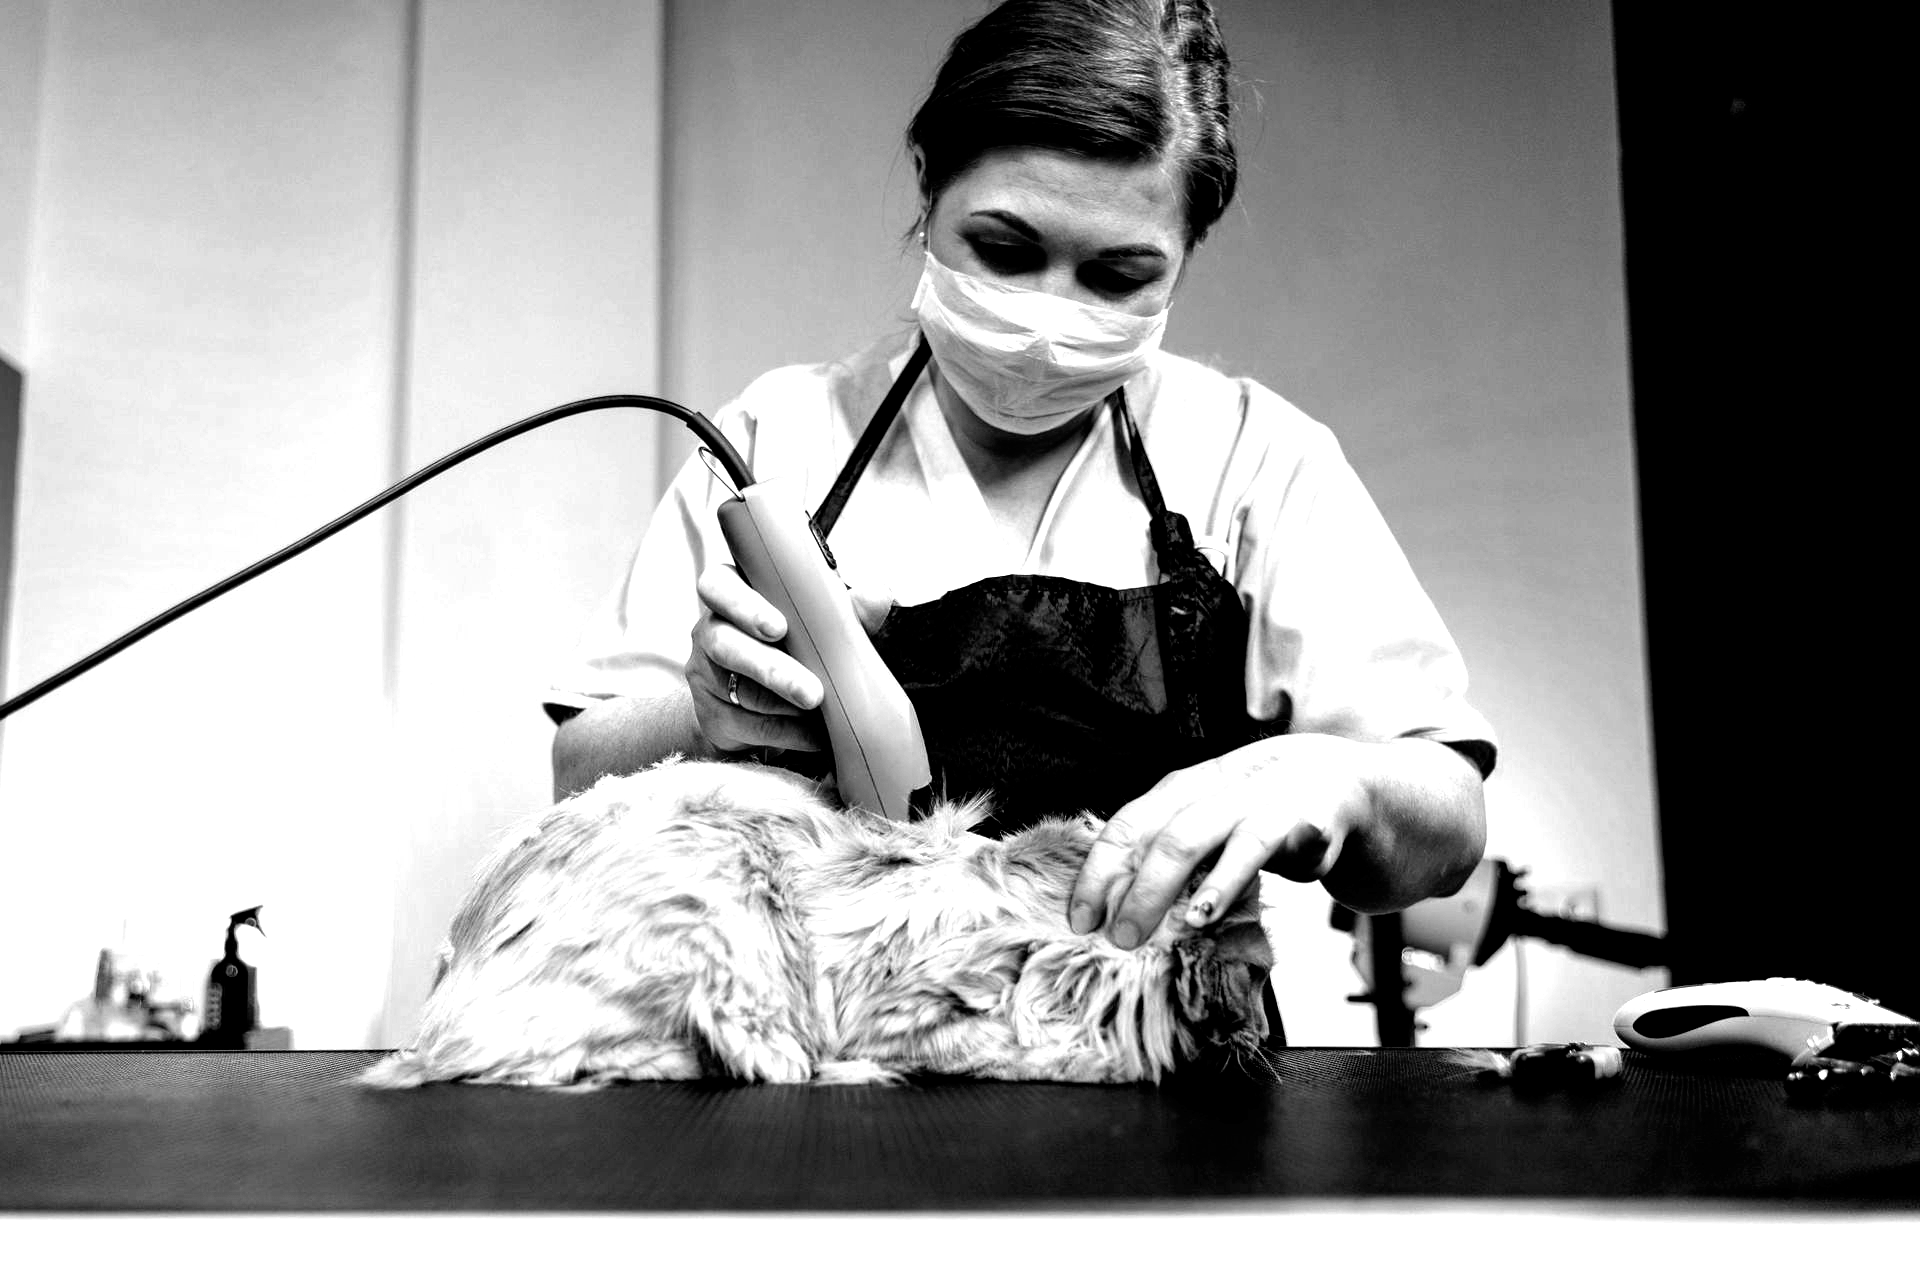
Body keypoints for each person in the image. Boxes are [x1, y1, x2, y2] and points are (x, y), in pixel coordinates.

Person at [545, 0, 1495, 968]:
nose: (1048, 319)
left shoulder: (1254, 463)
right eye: (1004, 250)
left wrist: (1333, 779)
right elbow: (577, 769)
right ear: (928, 187)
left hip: (1162, 1072)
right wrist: (704, 719)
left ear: (1184, 256)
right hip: (842, 1071)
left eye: (1118, 275)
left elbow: (1450, 821)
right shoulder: (776, 443)